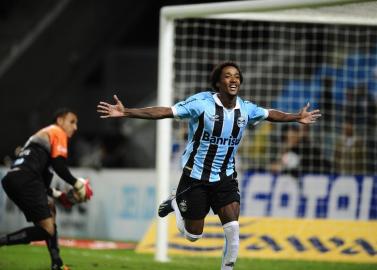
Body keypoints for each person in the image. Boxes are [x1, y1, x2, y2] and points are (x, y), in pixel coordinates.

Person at [97, 61, 321, 270]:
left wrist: (295, 117)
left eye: (236, 76)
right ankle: (176, 203)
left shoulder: (245, 109)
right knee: (193, 235)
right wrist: (126, 112)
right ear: (218, 83)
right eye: (227, 76)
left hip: (225, 177)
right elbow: (165, 111)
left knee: (233, 228)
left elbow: (270, 114)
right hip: (195, 176)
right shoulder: (201, 103)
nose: (233, 80)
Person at [0, 108, 93, 270]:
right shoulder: (57, 132)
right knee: (47, 229)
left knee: (50, 210)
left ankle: (56, 262)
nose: (75, 127)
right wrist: (77, 183)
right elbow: (59, 166)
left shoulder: (43, 140)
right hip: (26, 179)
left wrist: (60, 195)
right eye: (72, 122)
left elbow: (43, 184)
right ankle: (2, 241)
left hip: (13, 179)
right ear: (60, 121)